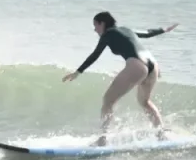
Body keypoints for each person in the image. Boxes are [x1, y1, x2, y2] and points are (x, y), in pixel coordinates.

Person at [62, 11, 178, 147]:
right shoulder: (126, 30)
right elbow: (147, 33)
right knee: (144, 102)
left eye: (95, 26)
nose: (95, 30)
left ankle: (102, 140)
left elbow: (95, 54)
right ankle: (161, 135)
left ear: (102, 23)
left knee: (107, 101)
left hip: (138, 65)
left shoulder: (108, 34)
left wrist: (78, 72)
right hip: (153, 65)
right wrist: (164, 30)